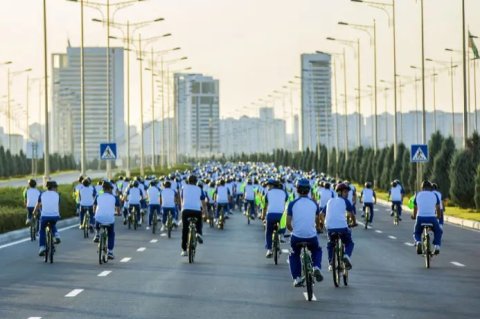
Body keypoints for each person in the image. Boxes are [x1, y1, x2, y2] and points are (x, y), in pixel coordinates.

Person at [287, 179, 324, 287]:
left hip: (296, 237)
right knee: (317, 250)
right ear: (309, 190)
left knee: (294, 254)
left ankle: (297, 278)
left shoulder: (292, 204)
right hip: (311, 237)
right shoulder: (314, 203)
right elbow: (317, 222)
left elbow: (288, 223)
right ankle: (316, 267)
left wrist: (293, 231)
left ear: (297, 190)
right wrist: (318, 228)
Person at [324, 183, 356, 270]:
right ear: (339, 192)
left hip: (330, 227)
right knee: (349, 243)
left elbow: (321, 214)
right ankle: (346, 256)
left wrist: (323, 223)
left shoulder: (330, 201)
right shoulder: (346, 201)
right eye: (345, 192)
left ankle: (331, 263)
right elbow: (351, 214)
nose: (347, 194)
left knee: (330, 244)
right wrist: (354, 223)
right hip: (342, 228)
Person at [411, 180, 443, 255]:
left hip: (420, 218)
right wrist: (438, 216)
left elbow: (415, 208)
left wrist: (414, 216)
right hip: (432, 218)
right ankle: (437, 246)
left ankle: (418, 242)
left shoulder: (418, 195)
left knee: (417, 232)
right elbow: (438, 208)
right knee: (438, 231)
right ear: (430, 188)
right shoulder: (434, 195)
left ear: (422, 188)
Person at [180, 175, 207, 256]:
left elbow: (182, 199)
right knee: (199, 223)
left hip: (186, 210)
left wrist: (182, 209)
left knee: (185, 230)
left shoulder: (183, 188)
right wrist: (205, 212)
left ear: (188, 181)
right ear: (196, 182)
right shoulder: (199, 189)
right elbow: (203, 202)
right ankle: (198, 233)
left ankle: (184, 250)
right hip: (197, 210)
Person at [92, 181, 120, 259]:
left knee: (97, 218)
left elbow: (94, 207)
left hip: (99, 218)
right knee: (111, 233)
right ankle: (110, 252)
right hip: (110, 220)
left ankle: (97, 233)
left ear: (103, 189)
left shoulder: (98, 196)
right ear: (110, 189)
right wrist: (118, 213)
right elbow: (118, 209)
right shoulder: (114, 197)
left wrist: (95, 213)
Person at [261, 179, 288, 258]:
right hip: (281, 215)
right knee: (283, 222)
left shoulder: (268, 193)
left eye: (269, 185)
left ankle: (269, 250)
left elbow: (264, 206)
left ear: (273, 185)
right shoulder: (284, 192)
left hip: (271, 215)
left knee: (269, 231)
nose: (268, 187)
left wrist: (263, 216)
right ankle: (282, 235)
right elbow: (286, 201)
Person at [35, 181, 61, 256]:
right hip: (55, 216)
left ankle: (42, 247)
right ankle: (56, 235)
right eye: (56, 187)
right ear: (53, 187)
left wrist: (34, 212)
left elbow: (38, 204)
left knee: (42, 230)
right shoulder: (57, 195)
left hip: (44, 216)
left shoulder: (42, 194)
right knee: (53, 223)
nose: (56, 188)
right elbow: (58, 206)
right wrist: (59, 214)